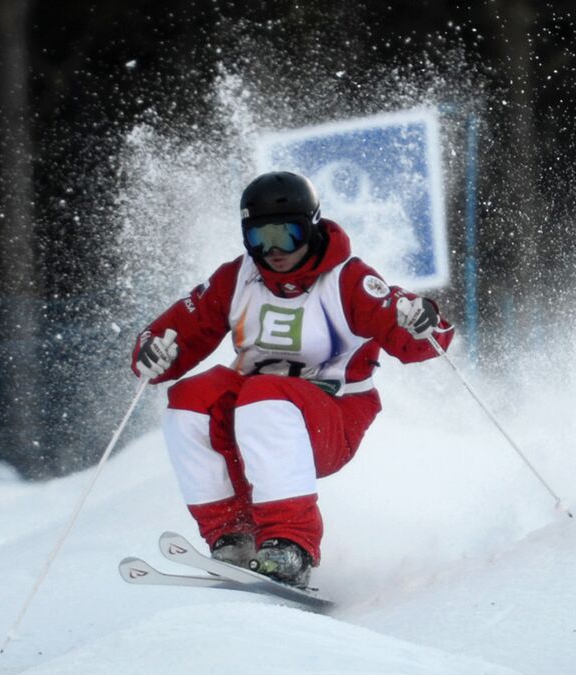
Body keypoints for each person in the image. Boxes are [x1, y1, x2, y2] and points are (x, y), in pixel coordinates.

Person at [131, 171, 454, 586]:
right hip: (258, 418)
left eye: (288, 235)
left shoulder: (349, 281)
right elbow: (176, 334)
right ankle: (232, 535)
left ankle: (290, 544)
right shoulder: (237, 278)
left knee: (264, 394)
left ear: (312, 227)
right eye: (258, 238)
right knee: (189, 400)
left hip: (332, 417)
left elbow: (421, 342)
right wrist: (153, 352)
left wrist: (422, 323)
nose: (273, 250)